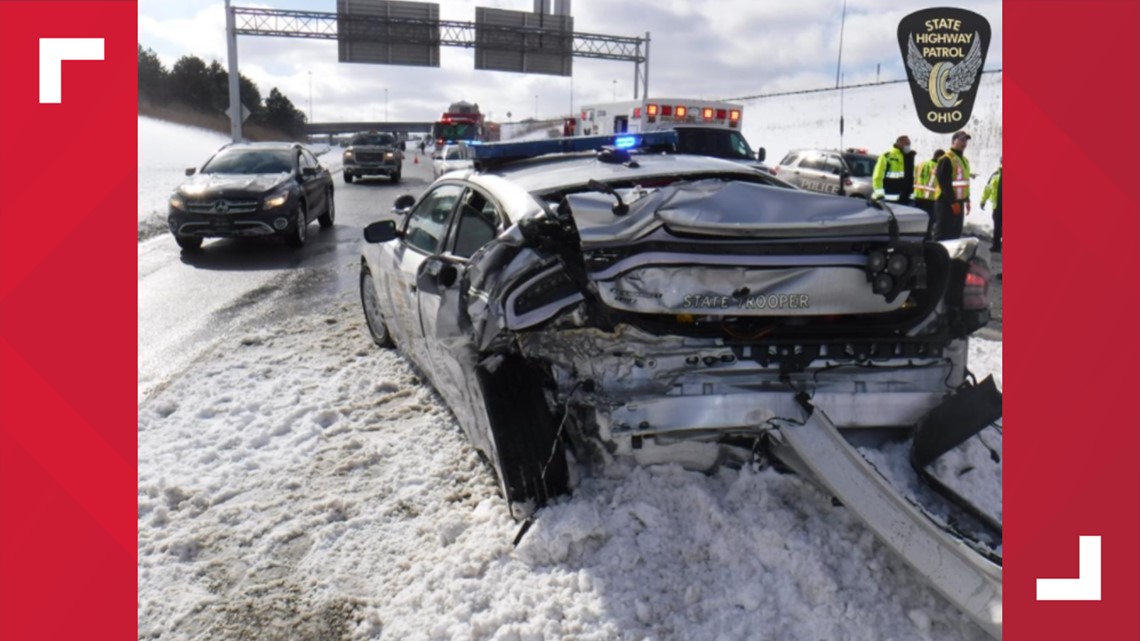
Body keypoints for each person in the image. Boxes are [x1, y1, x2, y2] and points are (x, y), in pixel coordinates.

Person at [935, 131, 972, 240]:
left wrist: (967, 199)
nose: (964, 142)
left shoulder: (964, 160)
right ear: (953, 141)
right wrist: (953, 202)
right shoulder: (946, 158)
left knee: (955, 233)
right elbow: (944, 182)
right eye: (961, 140)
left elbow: (964, 182)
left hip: (958, 202)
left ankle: (949, 257)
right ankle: (936, 256)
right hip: (946, 202)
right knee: (943, 233)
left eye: (965, 140)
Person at [871, 135, 915, 204]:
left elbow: (910, 179)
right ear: (899, 143)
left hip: (904, 200)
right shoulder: (887, 157)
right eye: (906, 144)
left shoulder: (909, 158)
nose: (908, 146)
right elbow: (877, 177)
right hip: (887, 200)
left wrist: (911, 196)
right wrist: (880, 195)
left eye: (909, 144)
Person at [913, 149, 944, 237]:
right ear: (939, 157)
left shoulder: (920, 164)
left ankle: (915, 234)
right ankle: (926, 237)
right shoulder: (938, 167)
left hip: (917, 195)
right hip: (930, 198)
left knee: (917, 218)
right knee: (929, 221)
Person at [981, 159, 1002, 252]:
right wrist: (983, 201)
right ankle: (996, 246)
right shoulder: (995, 175)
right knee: (997, 227)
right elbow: (988, 189)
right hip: (997, 206)